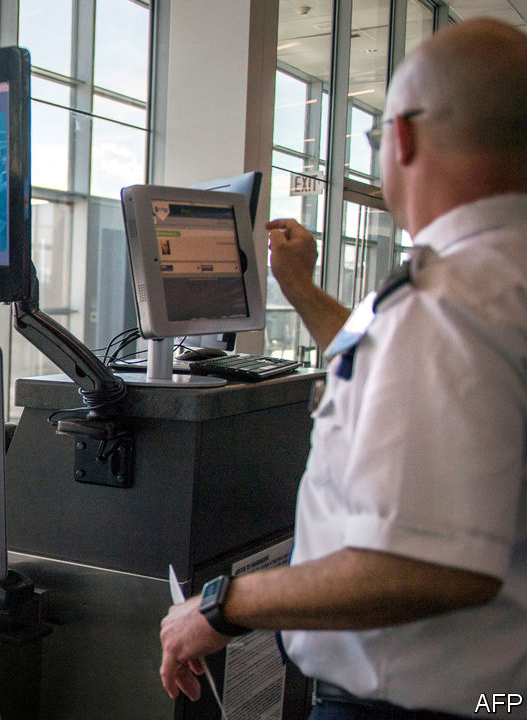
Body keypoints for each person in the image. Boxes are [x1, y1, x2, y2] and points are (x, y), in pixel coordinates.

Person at [159, 18, 526, 719]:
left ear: (405, 138)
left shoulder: (448, 302)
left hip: (413, 702)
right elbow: (384, 366)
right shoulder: (494, 280)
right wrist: (299, 286)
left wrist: (225, 604)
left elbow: (434, 563)